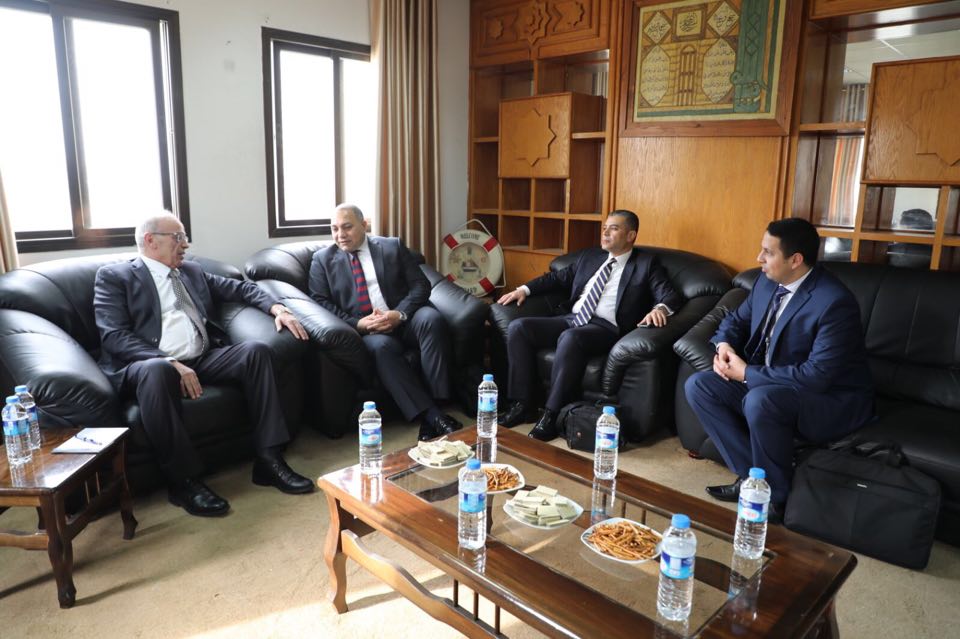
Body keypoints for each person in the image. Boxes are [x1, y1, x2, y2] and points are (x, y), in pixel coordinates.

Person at [94, 212, 314, 518]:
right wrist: (168, 360)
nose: (185, 244)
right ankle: (183, 481)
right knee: (158, 371)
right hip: (147, 364)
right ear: (150, 241)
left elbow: (241, 288)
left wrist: (278, 308)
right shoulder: (115, 277)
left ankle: (269, 459)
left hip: (202, 357)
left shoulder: (191, 271)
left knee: (256, 352)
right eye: (178, 237)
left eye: (184, 237)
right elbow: (114, 335)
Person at [684, 218, 873, 523]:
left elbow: (816, 376)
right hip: (771, 384)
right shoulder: (766, 282)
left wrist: (747, 374)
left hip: (828, 399)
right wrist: (724, 346)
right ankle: (755, 482)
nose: (759, 258)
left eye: (768, 252)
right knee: (699, 386)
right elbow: (735, 321)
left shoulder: (834, 303)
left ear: (795, 260)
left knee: (759, 400)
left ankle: (776, 499)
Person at [496, 210, 683, 441]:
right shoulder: (591, 256)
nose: (605, 232)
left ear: (631, 235)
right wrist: (523, 289)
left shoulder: (646, 264)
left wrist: (660, 309)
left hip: (606, 327)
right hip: (572, 318)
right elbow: (557, 278)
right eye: (605, 227)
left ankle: (552, 414)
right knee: (519, 328)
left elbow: (669, 295)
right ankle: (522, 405)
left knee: (570, 338)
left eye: (614, 228)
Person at [308, 204, 461, 442]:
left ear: (364, 225)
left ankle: (438, 404)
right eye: (335, 229)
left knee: (432, 319)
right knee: (381, 349)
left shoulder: (392, 247)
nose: (340, 235)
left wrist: (399, 314)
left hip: (405, 318)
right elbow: (319, 302)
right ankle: (433, 416)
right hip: (369, 329)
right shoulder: (322, 260)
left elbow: (421, 285)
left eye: (347, 227)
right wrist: (358, 324)